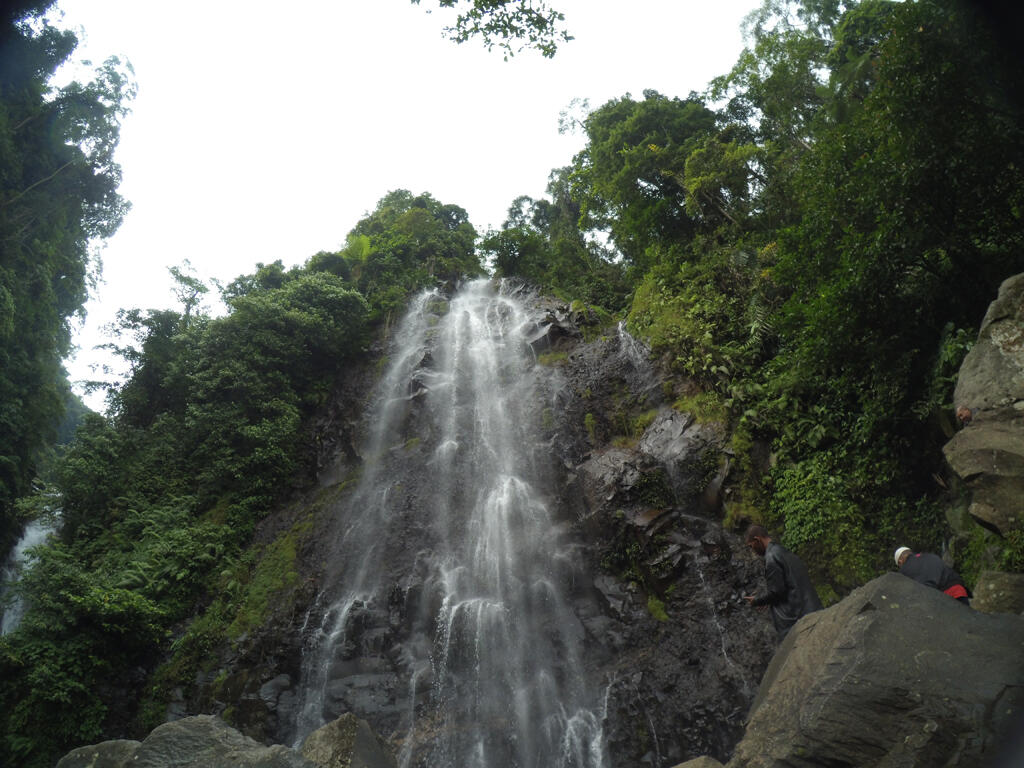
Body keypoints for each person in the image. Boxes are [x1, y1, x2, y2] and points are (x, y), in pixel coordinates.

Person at [743, 525, 824, 638]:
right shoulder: (782, 551)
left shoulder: (771, 558)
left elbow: (776, 592)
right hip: (811, 608)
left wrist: (757, 600)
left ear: (757, 540)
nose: (753, 551)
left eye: (751, 546)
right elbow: (787, 585)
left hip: (797, 620)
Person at [894, 546, 971, 605]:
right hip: (958, 590)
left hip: (940, 600)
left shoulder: (904, 570)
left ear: (900, 561)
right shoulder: (930, 556)